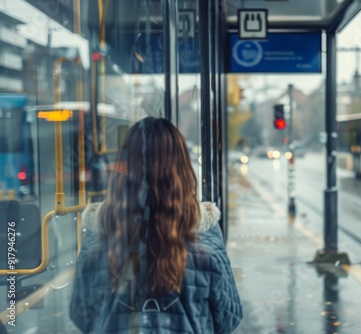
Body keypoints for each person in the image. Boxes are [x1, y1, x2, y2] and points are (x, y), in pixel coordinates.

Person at [69, 117, 242, 333]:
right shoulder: (204, 233)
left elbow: (79, 313)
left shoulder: (99, 233)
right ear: (180, 170)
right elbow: (228, 316)